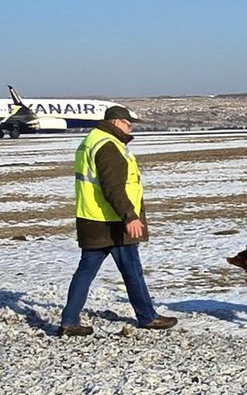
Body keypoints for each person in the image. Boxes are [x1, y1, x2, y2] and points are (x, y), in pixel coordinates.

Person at [58, 105, 177, 337]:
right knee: (132, 271)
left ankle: (69, 321)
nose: (130, 128)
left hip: (91, 219)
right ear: (116, 123)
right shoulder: (109, 145)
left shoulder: (90, 141)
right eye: (127, 124)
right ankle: (148, 317)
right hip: (113, 221)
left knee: (85, 271)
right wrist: (129, 216)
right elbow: (113, 187)